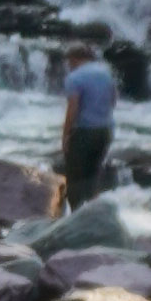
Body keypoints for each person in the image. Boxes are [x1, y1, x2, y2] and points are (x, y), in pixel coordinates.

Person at [55, 41, 121, 210]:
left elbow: (73, 109)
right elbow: (113, 100)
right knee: (93, 176)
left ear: (74, 59)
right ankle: (94, 215)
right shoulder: (106, 73)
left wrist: (65, 136)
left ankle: (76, 217)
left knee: (75, 179)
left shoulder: (75, 78)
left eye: (69, 61)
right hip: (105, 131)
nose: (68, 65)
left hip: (85, 132)